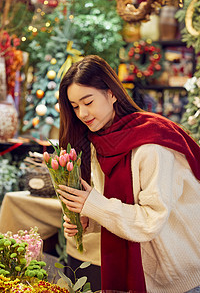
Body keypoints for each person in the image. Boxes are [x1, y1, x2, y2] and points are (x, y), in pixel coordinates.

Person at [57, 55, 200, 292]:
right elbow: (118, 205)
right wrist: (88, 219)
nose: (82, 113)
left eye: (88, 101)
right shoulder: (100, 142)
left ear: (111, 93)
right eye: (75, 106)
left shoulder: (152, 144)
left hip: (183, 279)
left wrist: (93, 204)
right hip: (147, 277)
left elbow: (150, 221)